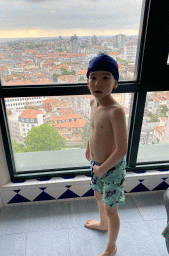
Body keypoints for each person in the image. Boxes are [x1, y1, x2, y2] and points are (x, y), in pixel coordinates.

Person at [84, 54, 128, 256]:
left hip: (111, 169)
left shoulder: (115, 111)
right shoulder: (94, 103)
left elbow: (121, 149)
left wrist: (103, 168)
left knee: (111, 208)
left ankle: (112, 246)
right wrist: (88, 147)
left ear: (115, 83)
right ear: (87, 81)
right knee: (98, 195)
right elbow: (94, 129)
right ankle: (102, 224)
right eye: (93, 77)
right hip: (97, 164)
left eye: (105, 77)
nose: (97, 83)